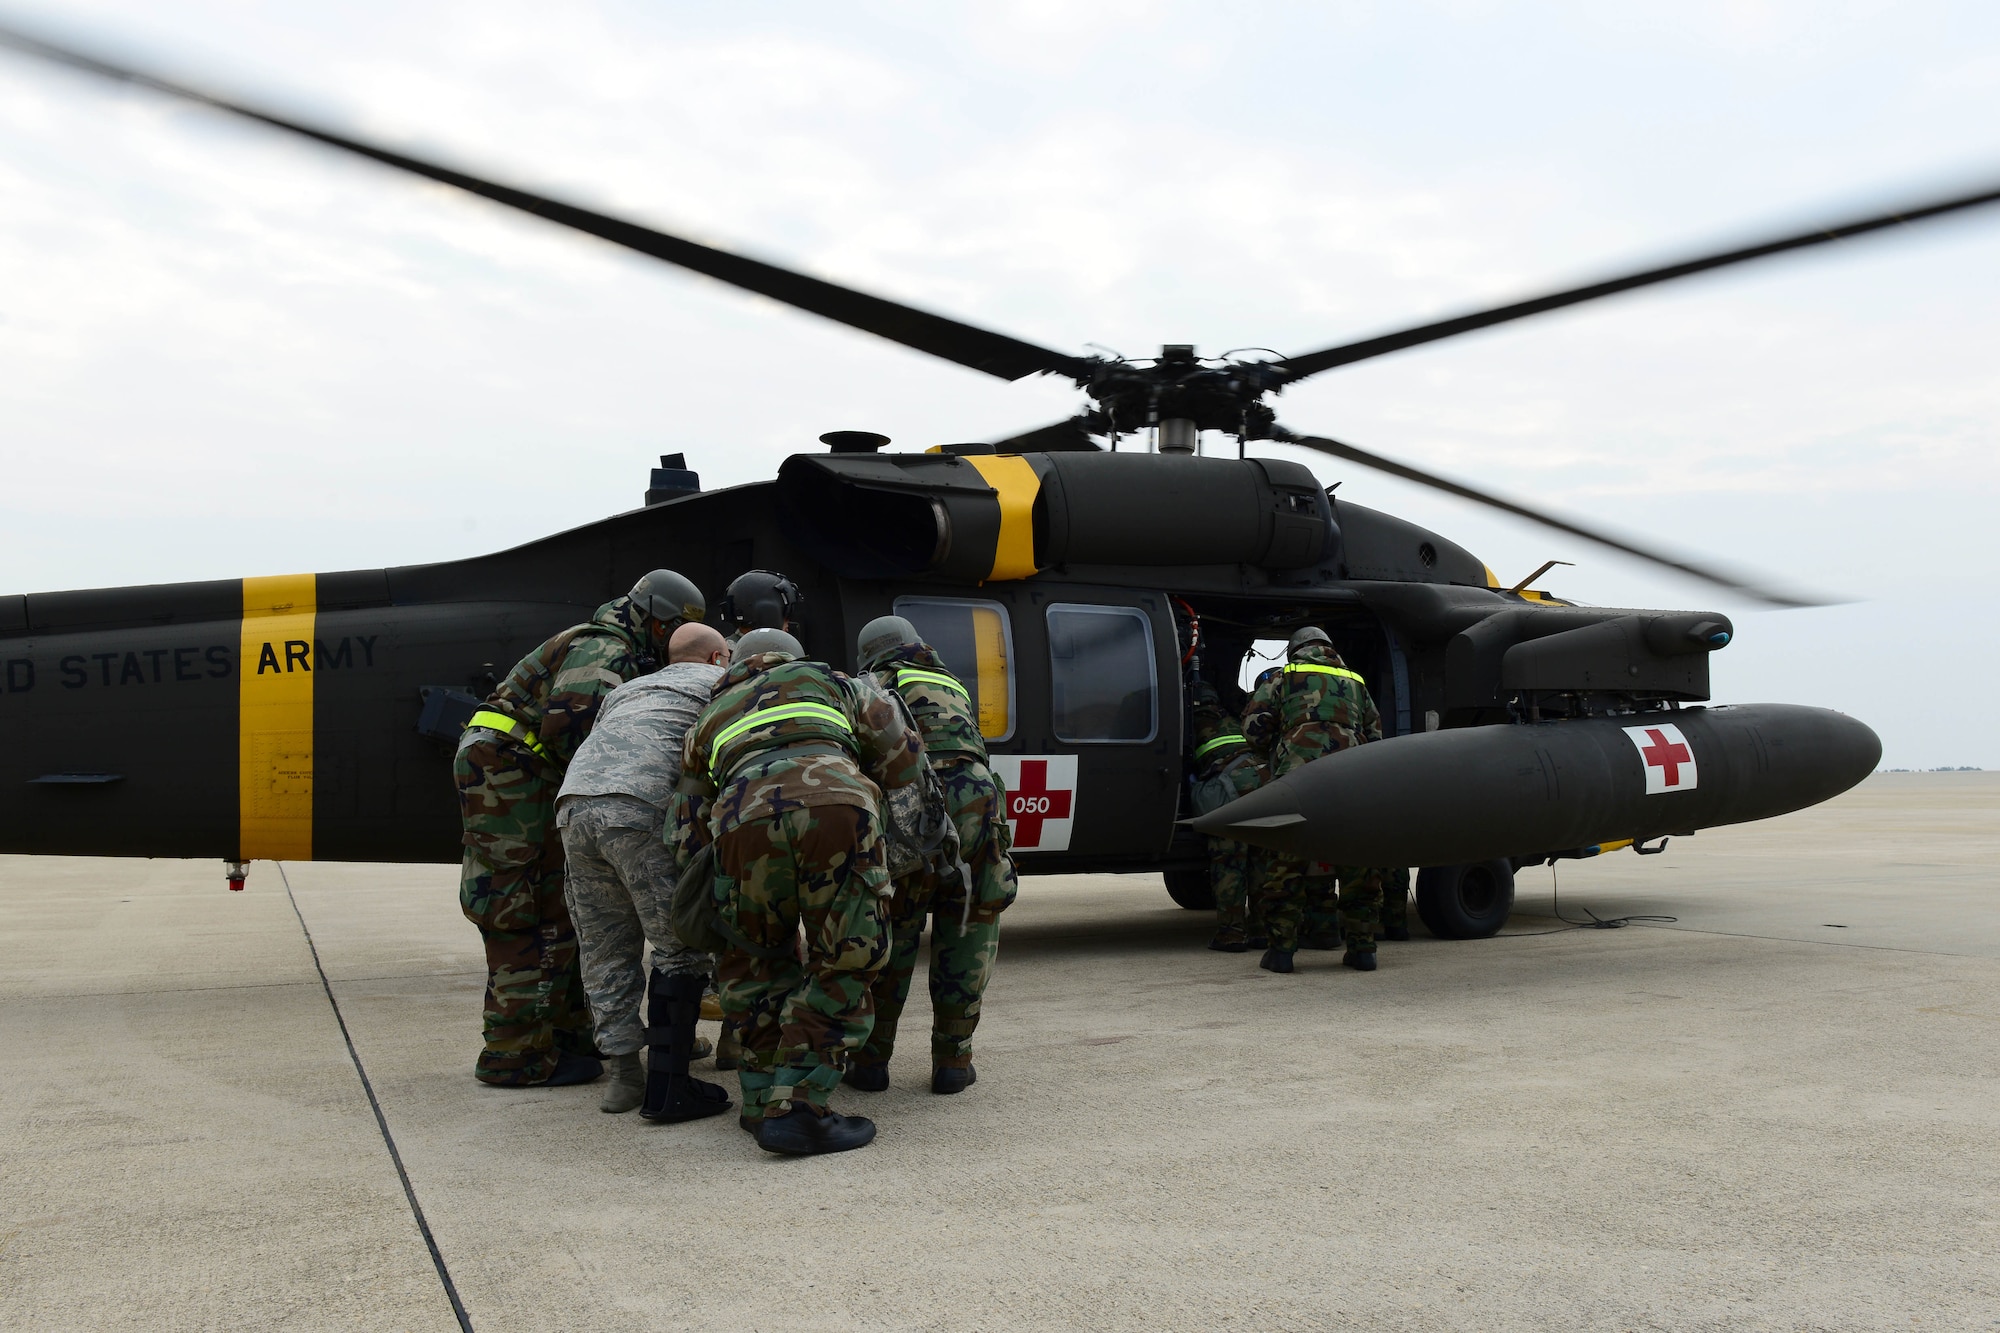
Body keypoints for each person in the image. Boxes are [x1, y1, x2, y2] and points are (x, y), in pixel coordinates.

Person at [670, 627, 921, 1156]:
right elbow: (904, 761)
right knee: (847, 957)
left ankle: (761, 1103)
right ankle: (800, 1107)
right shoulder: (835, 682)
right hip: (836, 811)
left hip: (740, 829)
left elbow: (688, 818)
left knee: (754, 957)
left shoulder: (707, 718)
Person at [453, 569, 706, 1087]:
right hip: (509, 773)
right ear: (657, 620)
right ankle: (515, 1054)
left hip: (523, 771)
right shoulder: (605, 648)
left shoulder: (609, 645)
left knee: (566, 907)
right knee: (524, 906)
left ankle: (572, 1035)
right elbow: (568, 726)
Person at [555, 621, 732, 1119]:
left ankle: (623, 1075)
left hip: (575, 805)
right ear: (718, 657)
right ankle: (668, 1077)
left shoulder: (628, 688)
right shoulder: (719, 684)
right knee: (680, 944)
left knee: (606, 943)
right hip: (641, 809)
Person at [845, 615, 1019, 1096]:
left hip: (912, 802)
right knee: (970, 920)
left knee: (896, 926)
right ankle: (953, 1062)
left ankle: (871, 1062)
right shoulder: (948, 679)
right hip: (977, 798)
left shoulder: (869, 683)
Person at [1240, 626, 1385, 975]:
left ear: (1296, 650)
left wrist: (1279, 749)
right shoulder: (1356, 682)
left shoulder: (1284, 676)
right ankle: (1362, 950)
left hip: (1298, 784)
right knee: (1358, 864)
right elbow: (1376, 736)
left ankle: (1281, 953)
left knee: (1285, 862)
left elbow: (1252, 728)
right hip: (1351, 783)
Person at [1186, 684, 1267, 953]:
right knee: (1259, 859)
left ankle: (1232, 934)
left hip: (1230, 789)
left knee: (1230, 863)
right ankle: (1262, 929)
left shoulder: (1190, 723)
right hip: (1262, 786)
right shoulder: (1235, 718)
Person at [718, 569, 802, 639]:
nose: (788, 623)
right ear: (768, 613)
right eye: (785, 613)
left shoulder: (722, 654)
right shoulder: (776, 656)